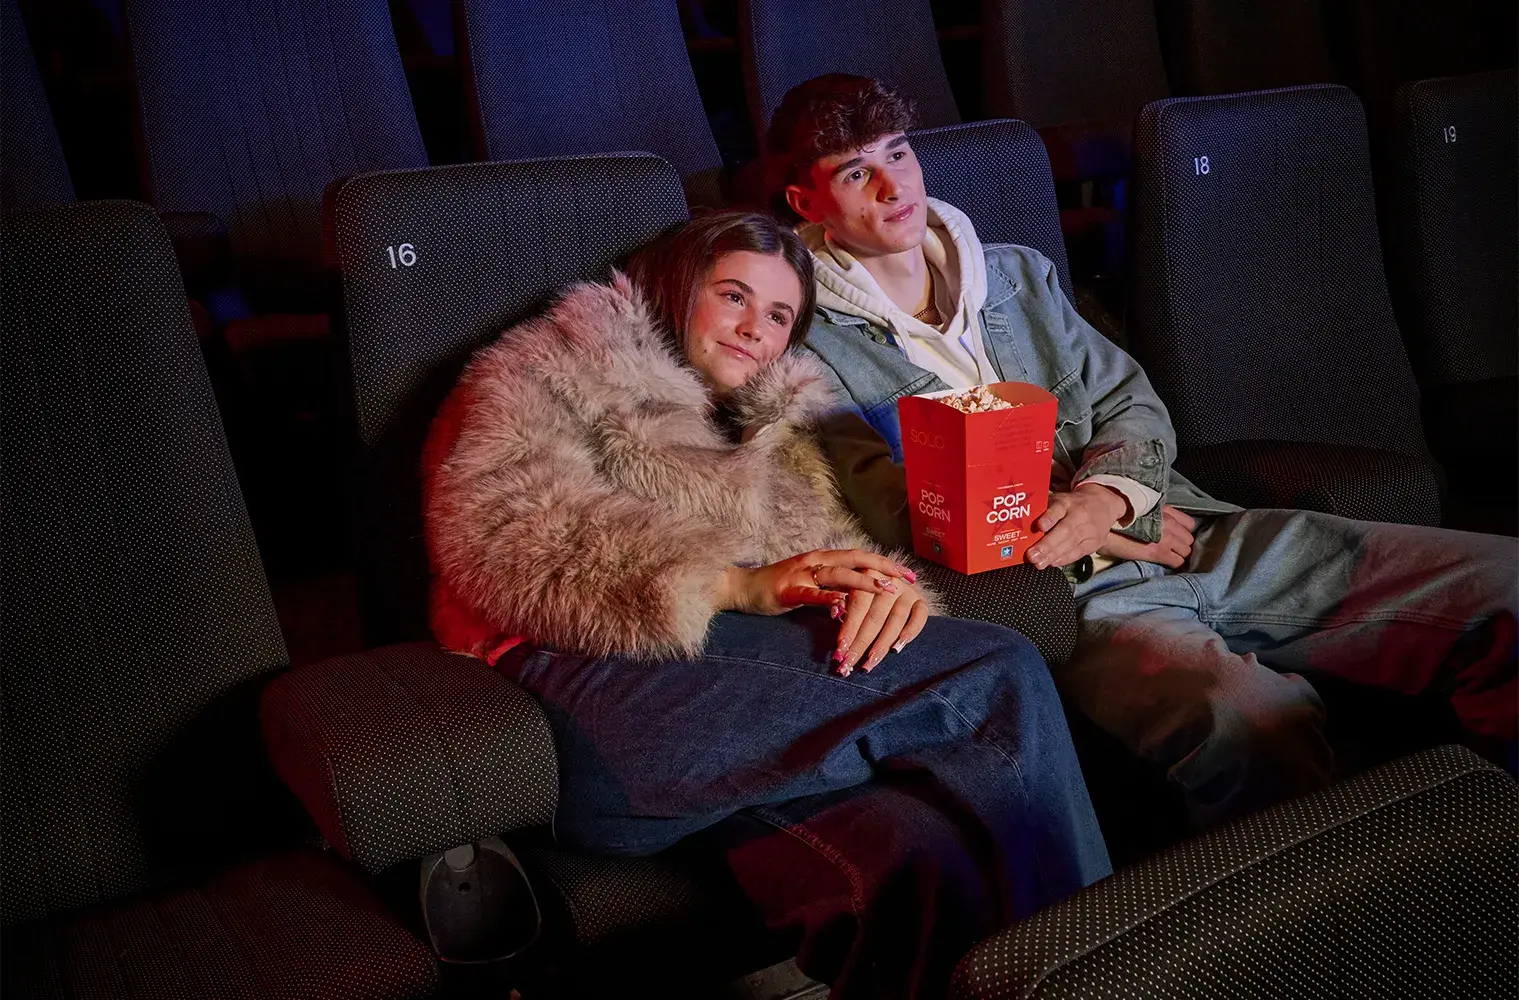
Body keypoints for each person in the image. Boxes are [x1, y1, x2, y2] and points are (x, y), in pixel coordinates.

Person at [764, 74, 1518, 830]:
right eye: (855, 173)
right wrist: (1098, 530)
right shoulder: (810, 346)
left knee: (1502, 583)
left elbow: (1130, 401)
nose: (892, 185)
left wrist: (1109, 499)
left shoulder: (1016, 274)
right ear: (807, 203)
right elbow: (897, 505)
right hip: (1076, 600)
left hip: (1187, 527)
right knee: (1249, 720)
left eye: (898, 153)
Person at [421, 210, 1111, 999]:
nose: (757, 328)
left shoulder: (769, 428)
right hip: (585, 702)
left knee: (922, 862)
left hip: (747, 728)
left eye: (780, 315)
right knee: (995, 669)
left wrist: (879, 592)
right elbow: (499, 533)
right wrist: (734, 584)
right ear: (678, 285)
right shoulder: (556, 363)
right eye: (733, 297)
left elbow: (823, 552)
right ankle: (1102, 977)